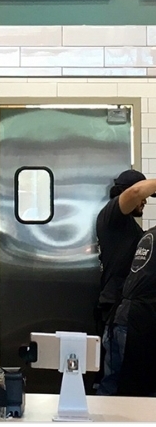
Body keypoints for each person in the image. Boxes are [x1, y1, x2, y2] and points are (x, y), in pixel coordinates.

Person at [96, 169, 156, 395]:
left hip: (127, 312)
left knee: (119, 382)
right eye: (144, 198)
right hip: (119, 311)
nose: (145, 201)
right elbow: (136, 192)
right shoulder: (113, 217)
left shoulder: (131, 228)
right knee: (118, 384)